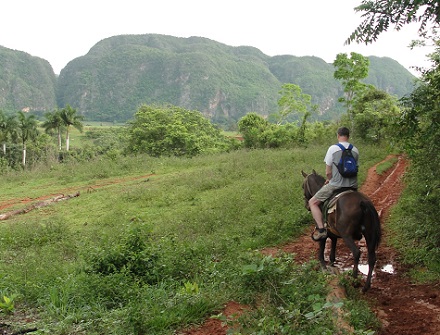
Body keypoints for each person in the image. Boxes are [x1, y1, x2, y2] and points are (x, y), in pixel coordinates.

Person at [309, 127, 359, 241]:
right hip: (353, 186)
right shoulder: (355, 150)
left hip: (336, 185)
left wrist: (329, 179)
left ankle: (321, 229)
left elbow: (328, 172)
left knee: (312, 202)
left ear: (338, 135)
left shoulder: (333, 148)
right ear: (348, 136)